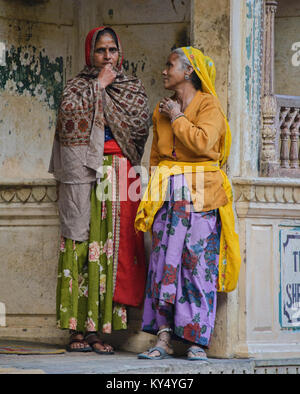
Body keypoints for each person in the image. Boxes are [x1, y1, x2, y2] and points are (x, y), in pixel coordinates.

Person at [135, 46, 241, 360]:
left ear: (188, 71)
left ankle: (197, 342)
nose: (164, 71)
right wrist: (153, 199)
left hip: (203, 198)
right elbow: (157, 158)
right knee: (164, 267)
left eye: (170, 65)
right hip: (168, 199)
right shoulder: (161, 110)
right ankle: (163, 339)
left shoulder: (209, 106)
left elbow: (203, 144)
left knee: (198, 268)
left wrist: (178, 117)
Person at [49, 26, 150, 354]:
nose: (107, 56)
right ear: (89, 53)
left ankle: (101, 331)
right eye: (100, 51)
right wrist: (98, 87)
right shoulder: (78, 86)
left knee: (109, 249)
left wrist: (107, 88)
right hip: (82, 175)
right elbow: (67, 118)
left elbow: (138, 127)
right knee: (80, 246)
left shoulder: (131, 87)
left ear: (120, 52)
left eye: (112, 50)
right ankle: (76, 329)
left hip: (119, 173)